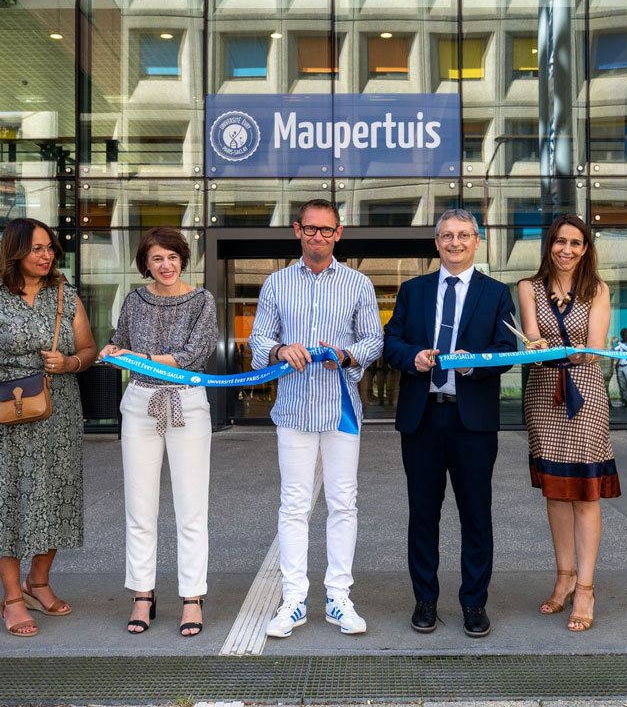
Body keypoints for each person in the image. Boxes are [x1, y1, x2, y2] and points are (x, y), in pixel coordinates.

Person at [249, 199, 383, 638]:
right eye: (311, 229)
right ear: (297, 230)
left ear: (338, 233)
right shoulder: (276, 283)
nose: (318, 237)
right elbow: (260, 339)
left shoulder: (358, 283)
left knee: (344, 503)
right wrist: (278, 350)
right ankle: (294, 599)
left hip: (342, 408)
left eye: (326, 230)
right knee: (294, 505)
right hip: (293, 409)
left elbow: (373, 340)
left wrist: (347, 356)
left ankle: (338, 597)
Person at [384, 209, 516, 638]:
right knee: (423, 514)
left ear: (477, 240)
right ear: (436, 242)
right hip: (422, 418)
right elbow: (392, 344)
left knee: (476, 515)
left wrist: (472, 366)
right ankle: (425, 600)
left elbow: (505, 350)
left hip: (472, 421)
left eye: (463, 235)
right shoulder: (413, 290)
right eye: (447, 235)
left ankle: (474, 603)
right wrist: (415, 358)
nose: (455, 242)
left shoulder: (497, 293)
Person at [98, 227, 217, 637]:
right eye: (156, 259)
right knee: (140, 507)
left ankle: (192, 597)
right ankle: (143, 594)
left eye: (171, 256)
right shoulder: (134, 299)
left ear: (183, 258)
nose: (165, 265)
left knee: (191, 508)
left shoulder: (202, 300)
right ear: (145, 265)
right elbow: (121, 342)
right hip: (140, 404)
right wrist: (114, 352)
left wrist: (140, 357)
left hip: (186, 402)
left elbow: (194, 356)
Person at [518, 214, 619, 632]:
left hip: (586, 396)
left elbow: (594, 350)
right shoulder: (528, 288)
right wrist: (543, 347)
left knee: (585, 496)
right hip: (544, 395)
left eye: (576, 243)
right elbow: (531, 339)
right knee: (557, 494)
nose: (567, 250)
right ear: (549, 245)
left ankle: (586, 588)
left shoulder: (597, 289)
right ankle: (563, 577)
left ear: (585, 249)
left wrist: (565, 352)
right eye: (560, 242)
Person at [0, 218, 96, 637]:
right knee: (9, 503)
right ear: (15, 251)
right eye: (37, 248)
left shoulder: (65, 295)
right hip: (5, 410)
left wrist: (71, 362)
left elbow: (89, 349)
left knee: (56, 496)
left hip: (58, 409)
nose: (46, 256)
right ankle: (12, 599)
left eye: (50, 248)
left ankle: (37, 583)